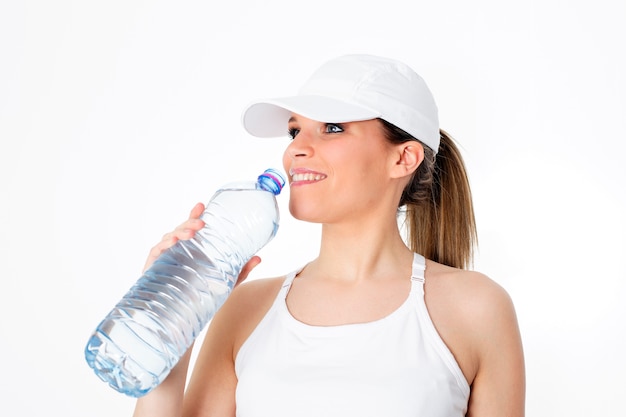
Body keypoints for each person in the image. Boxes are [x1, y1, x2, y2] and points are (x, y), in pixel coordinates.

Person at [133, 54, 525, 417]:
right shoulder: (244, 308)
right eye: (294, 132)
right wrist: (171, 324)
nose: (296, 150)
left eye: (332, 128)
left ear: (403, 158)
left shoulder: (476, 308)